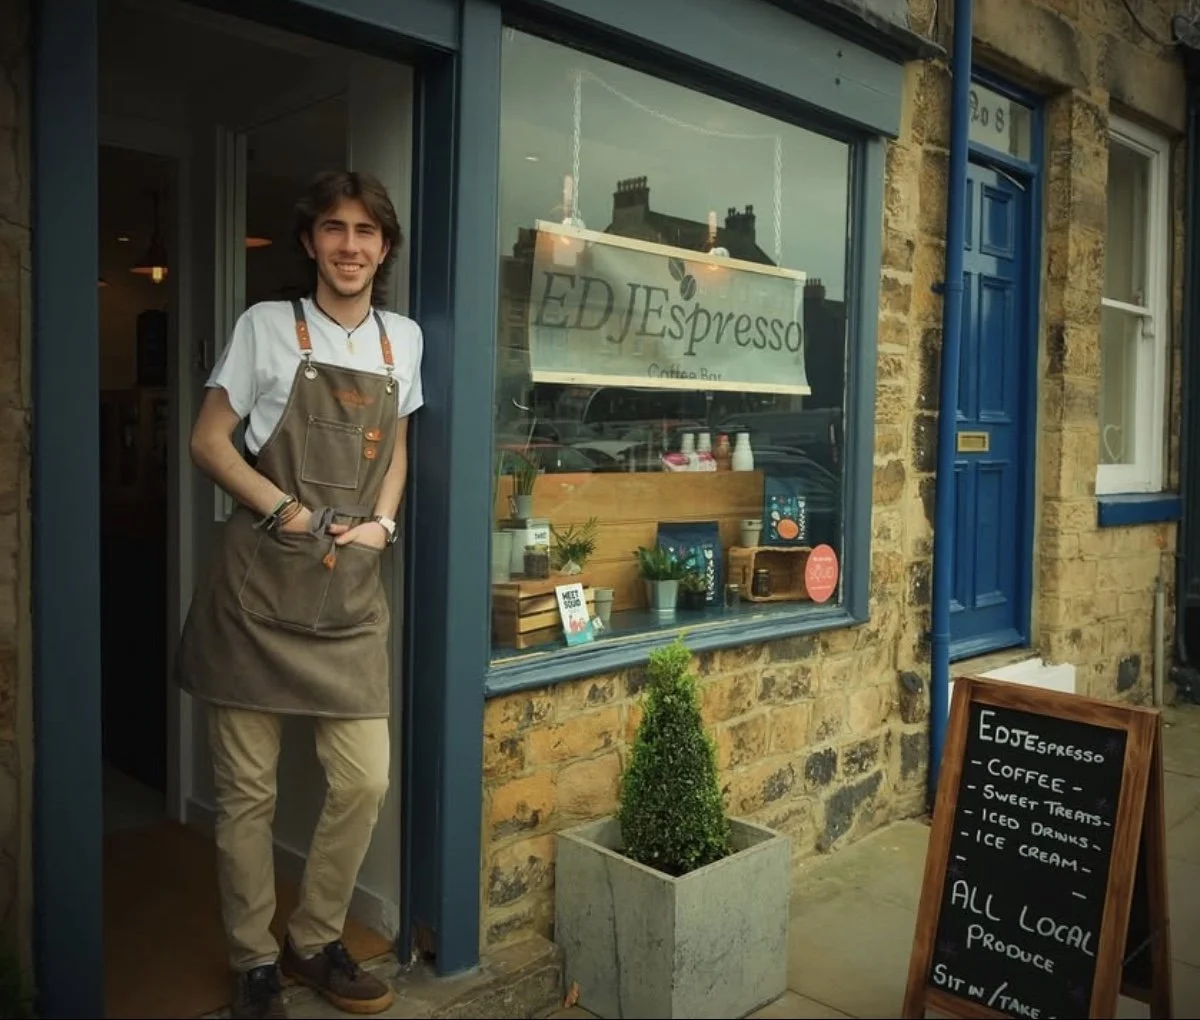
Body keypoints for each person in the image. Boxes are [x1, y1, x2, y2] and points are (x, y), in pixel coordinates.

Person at [175, 170, 423, 1020]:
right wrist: (286, 508)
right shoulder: (265, 329)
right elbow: (210, 441)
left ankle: (313, 937)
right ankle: (252, 961)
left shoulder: (405, 342)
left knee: (364, 780)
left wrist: (383, 525)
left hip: (350, 595)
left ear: (384, 248)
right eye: (333, 228)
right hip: (255, 594)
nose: (349, 245)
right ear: (310, 242)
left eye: (365, 231)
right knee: (249, 794)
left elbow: (394, 450)